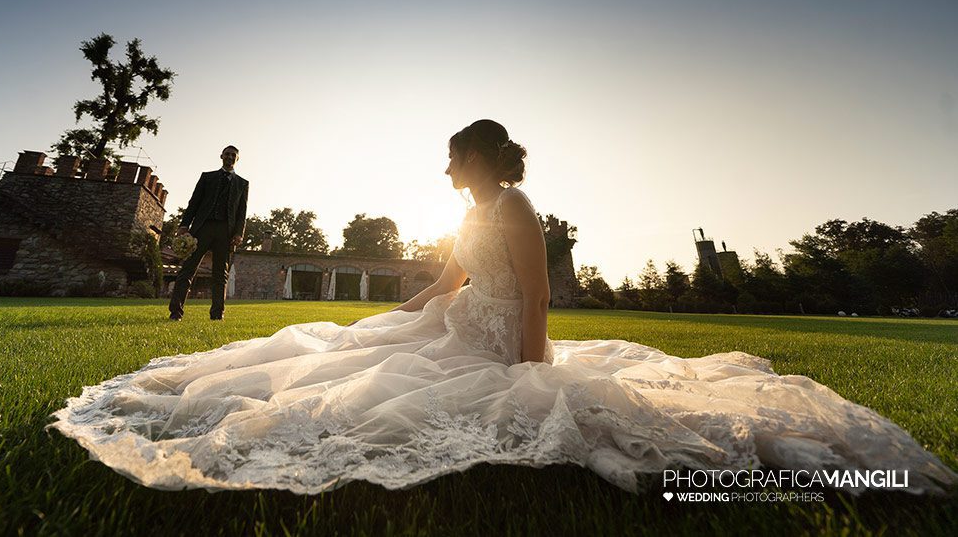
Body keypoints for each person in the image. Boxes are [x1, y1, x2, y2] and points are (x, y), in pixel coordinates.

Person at [53, 121, 956, 495]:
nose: (445, 172)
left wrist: (531, 372)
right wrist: (417, 299)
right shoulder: (473, 210)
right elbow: (453, 274)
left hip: (496, 340)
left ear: (482, 160)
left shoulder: (519, 209)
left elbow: (534, 294)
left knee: (385, 401)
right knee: (342, 355)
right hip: (452, 322)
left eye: (453, 160)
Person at [167, 145, 248, 321]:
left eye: (233, 155)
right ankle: (175, 312)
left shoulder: (243, 184)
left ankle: (217, 314)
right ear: (221, 156)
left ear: (237, 159)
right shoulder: (207, 177)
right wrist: (184, 225)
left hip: (225, 232)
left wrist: (239, 233)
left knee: (221, 275)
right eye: (227, 154)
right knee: (188, 270)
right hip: (202, 228)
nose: (230, 157)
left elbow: (242, 212)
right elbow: (194, 202)